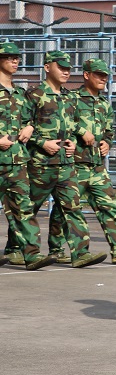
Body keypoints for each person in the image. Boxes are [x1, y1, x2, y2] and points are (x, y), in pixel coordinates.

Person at [48, 59, 116, 264]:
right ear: (86, 75)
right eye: (99, 74)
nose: (103, 78)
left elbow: (109, 130)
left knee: (109, 206)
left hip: (96, 166)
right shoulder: (71, 98)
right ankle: (56, 249)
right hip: (74, 165)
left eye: (106, 75)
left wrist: (107, 143)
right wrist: (82, 132)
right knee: (64, 209)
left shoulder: (103, 103)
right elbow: (62, 121)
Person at [23, 50, 106, 268]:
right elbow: (23, 128)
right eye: (61, 68)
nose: (66, 72)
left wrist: (71, 142)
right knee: (28, 209)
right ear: (47, 67)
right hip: (40, 165)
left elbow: (72, 126)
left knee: (73, 208)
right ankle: (18, 250)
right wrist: (42, 143)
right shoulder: (34, 95)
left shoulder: (69, 97)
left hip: (66, 165)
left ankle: (81, 253)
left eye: (69, 69)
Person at [0, 41, 56, 271]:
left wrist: (30, 127)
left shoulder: (21, 94)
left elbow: (29, 119)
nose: (15, 61)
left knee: (23, 208)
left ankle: (32, 254)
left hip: (16, 162)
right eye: (10, 57)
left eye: (17, 58)